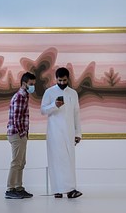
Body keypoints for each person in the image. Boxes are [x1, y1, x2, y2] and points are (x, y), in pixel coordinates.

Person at [41, 67, 83, 199]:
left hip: (69, 132)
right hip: (54, 133)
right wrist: (54, 105)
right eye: (59, 80)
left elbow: (76, 114)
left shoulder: (73, 93)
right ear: (56, 79)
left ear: (68, 79)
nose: (62, 83)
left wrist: (78, 133)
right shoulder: (49, 92)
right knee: (55, 161)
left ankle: (71, 190)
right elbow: (43, 110)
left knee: (69, 161)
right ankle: (57, 190)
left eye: (64, 80)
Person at [5, 72, 36, 199]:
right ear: (24, 84)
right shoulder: (19, 97)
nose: (33, 86)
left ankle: (18, 187)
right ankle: (10, 189)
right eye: (31, 84)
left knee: (21, 162)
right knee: (16, 162)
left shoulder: (25, 96)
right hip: (17, 134)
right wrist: (23, 134)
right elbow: (16, 119)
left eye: (34, 84)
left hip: (21, 134)